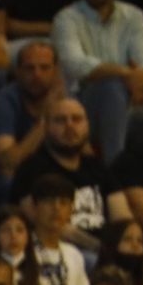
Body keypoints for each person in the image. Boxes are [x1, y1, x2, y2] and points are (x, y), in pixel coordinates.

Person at [52, 0, 143, 165]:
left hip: (130, 105)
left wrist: (140, 80)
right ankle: (113, 171)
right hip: (81, 109)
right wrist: (125, 73)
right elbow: (75, 65)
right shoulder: (66, 19)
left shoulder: (133, 16)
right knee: (110, 86)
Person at [10, 99, 131, 254]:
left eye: (77, 119)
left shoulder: (97, 167)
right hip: (61, 250)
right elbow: (47, 225)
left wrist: (125, 242)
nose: (70, 126)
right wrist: (101, 249)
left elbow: (122, 216)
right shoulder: (31, 170)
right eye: (60, 120)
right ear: (46, 127)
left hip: (105, 251)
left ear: (87, 125)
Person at [0, 41, 64, 214]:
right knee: (16, 184)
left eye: (44, 68)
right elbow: (8, 162)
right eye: (29, 68)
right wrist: (45, 121)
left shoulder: (63, 102)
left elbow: (81, 154)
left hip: (29, 178)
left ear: (56, 72)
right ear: (17, 72)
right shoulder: (2, 105)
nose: (37, 75)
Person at [24, 173, 91, 285]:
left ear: (71, 210)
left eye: (63, 202)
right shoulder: (22, 249)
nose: (56, 208)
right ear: (34, 208)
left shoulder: (74, 254)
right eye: (48, 201)